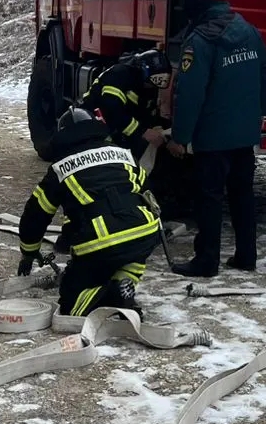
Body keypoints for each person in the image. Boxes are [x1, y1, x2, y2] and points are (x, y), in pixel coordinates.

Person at [166, 0, 266, 278]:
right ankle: (246, 256)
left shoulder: (200, 41)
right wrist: (260, 112)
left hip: (213, 137)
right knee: (242, 194)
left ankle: (206, 261)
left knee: (209, 198)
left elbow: (189, 93)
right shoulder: (249, 30)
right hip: (244, 134)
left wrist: (180, 137)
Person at [14, 106, 162, 317]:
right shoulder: (123, 155)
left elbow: (36, 214)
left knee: (71, 305)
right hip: (144, 231)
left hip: (100, 241)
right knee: (131, 248)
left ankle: (112, 294)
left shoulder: (60, 168)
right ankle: (125, 278)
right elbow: (147, 193)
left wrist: (28, 252)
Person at [82, 49, 173, 158]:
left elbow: (143, 114)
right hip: (93, 125)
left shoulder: (145, 86)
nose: (153, 87)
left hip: (113, 129)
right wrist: (143, 132)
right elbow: (111, 109)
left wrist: (162, 134)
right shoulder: (119, 75)